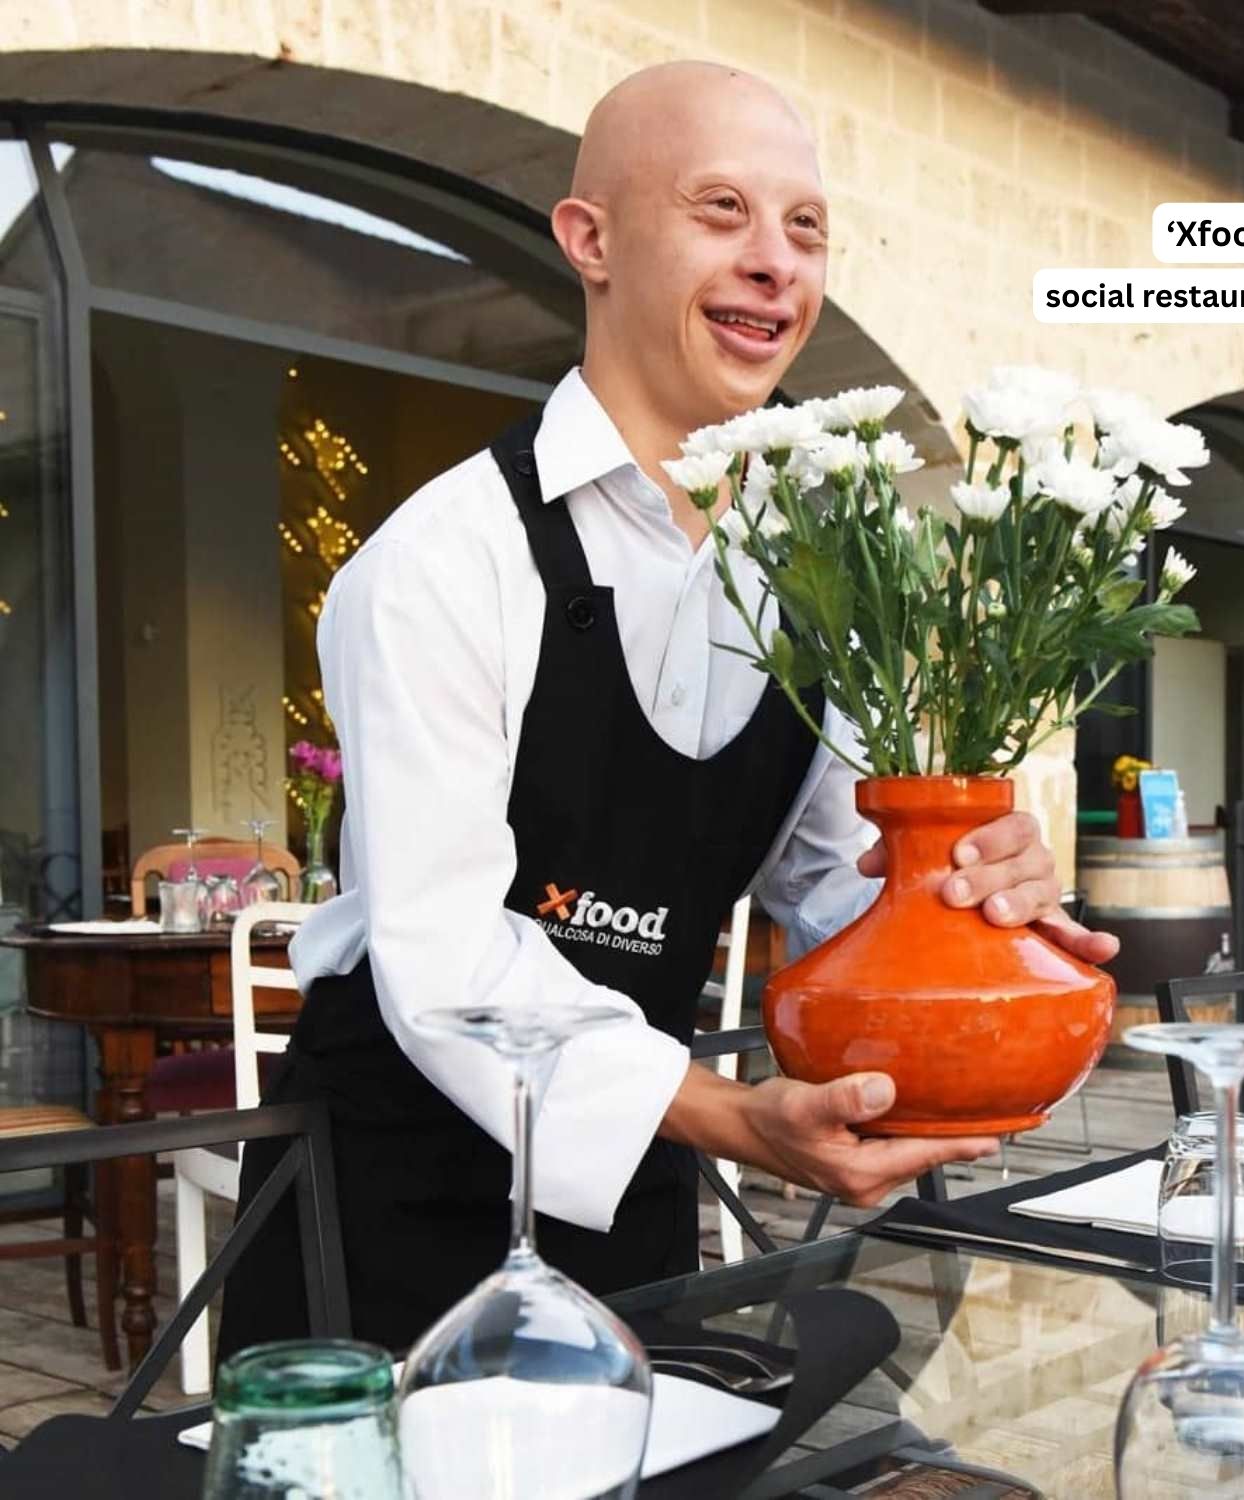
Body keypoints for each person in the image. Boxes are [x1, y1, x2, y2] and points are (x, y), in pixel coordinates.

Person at [219, 59, 1117, 1359]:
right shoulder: (446, 558)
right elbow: (446, 954)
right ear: (590, 240)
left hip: (633, 1186)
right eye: (721, 210)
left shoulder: (813, 589)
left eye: (805, 226)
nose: (776, 262)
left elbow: (846, 893)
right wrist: (734, 1118)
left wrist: (968, 902)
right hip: (381, 1208)